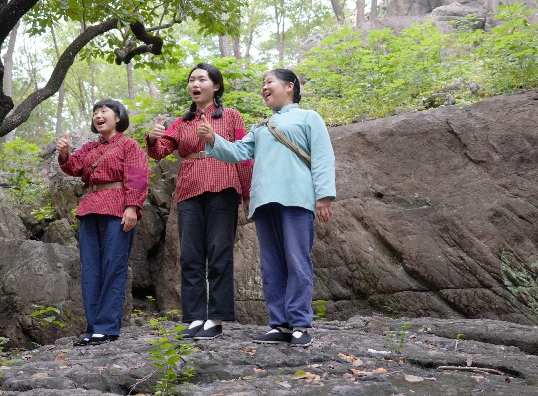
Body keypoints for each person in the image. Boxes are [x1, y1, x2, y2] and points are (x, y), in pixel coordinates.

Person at [196, 69, 336, 348]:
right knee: (271, 265)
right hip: (264, 201)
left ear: (290, 86)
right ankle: (279, 324)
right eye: (262, 84)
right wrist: (213, 138)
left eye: (269, 82)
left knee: (297, 261)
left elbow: (322, 156)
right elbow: (238, 152)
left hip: (296, 198)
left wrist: (324, 196)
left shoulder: (309, 117)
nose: (264, 87)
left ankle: (299, 324)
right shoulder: (261, 126)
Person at [146, 63, 252, 340]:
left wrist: (247, 193)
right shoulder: (182, 122)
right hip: (189, 191)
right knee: (190, 255)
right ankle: (194, 318)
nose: (195, 84)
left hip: (223, 186)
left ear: (215, 86)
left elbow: (243, 155)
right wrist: (153, 138)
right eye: (192, 80)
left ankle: (215, 318)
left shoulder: (231, 116)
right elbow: (160, 152)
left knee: (219, 252)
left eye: (201, 79)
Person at [57, 99, 150, 346]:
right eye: (95, 112)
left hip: (117, 207)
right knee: (90, 269)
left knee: (113, 266)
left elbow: (138, 176)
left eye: (104, 111)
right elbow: (73, 167)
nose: (98, 115)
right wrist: (65, 152)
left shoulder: (129, 145)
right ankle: (93, 328)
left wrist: (132, 207)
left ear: (118, 117)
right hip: (90, 209)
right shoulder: (89, 147)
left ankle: (107, 327)